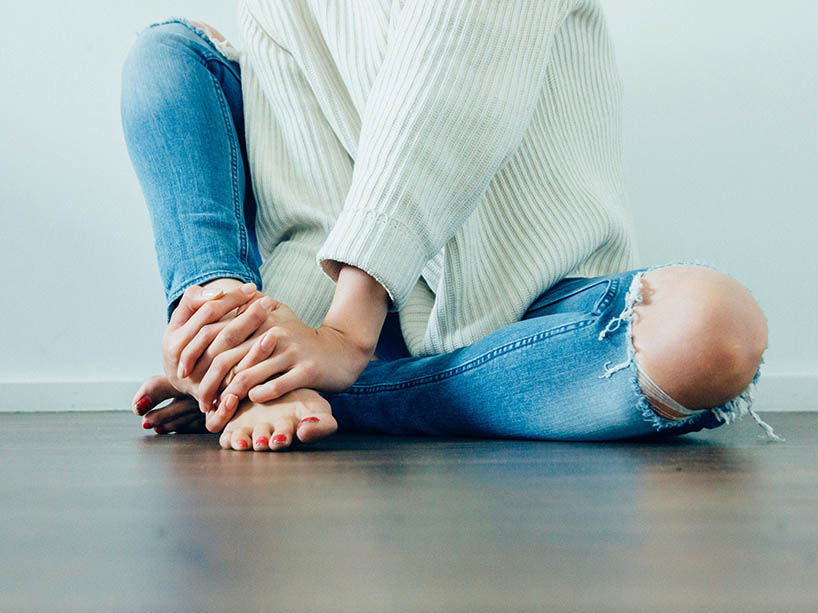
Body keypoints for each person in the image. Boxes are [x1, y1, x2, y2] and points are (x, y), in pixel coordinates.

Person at [120, 1, 780, 452]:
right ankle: (221, 349)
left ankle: (346, 397)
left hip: (534, 310)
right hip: (364, 317)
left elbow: (445, 89)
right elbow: (308, 202)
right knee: (169, 57)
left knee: (715, 328)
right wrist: (264, 350)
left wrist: (345, 338)